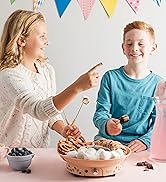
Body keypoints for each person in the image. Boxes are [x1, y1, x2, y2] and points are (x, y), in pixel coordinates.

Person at [0, 9, 102, 148]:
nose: (47, 41)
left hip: (39, 154)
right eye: (42, 36)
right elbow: (39, 110)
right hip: (9, 156)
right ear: (22, 40)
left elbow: (50, 114)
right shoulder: (9, 76)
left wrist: (63, 128)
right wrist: (76, 87)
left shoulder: (47, 71)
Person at [93, 21, 162, 153]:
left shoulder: (158, 84)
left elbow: (159, 122)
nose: (134, 48)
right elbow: (100, 114)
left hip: (140, 146)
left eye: (141, 44)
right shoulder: (110, 78)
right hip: (107, 143)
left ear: (153, 48)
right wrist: (107, 124)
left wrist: (145, 141)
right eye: (129, 44)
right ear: (123, 47)